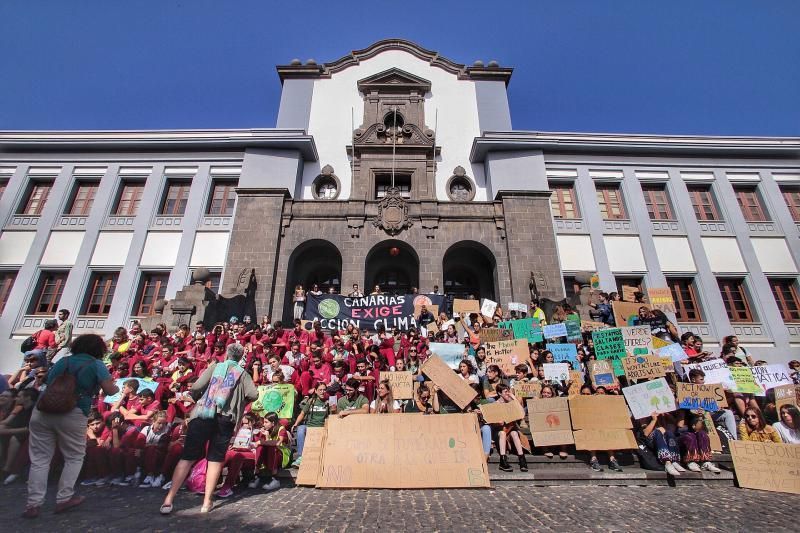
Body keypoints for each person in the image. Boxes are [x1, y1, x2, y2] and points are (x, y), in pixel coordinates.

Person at [25, 334, 119, 519]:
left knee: (40, 459)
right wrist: (114, 386)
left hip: (44, 409)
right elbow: (109, 390)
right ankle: (64, 498)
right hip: (72, 410)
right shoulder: (96, 364)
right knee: (74, 456)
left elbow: (48, 380)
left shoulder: (64, 361)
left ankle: (33, 504)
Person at [160, 343, 258, 515]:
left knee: (187, 457)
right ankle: (206, 502)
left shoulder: (215, 367)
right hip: (225, 419)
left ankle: (168, 500)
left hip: (203, 414)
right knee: (215, 459)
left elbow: (197, 386)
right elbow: (254, 394)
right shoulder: (242, 373)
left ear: (227, 354)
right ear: (241, 356)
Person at [491, 384, 527, 472]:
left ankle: (522, 459)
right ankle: (503, 460)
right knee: (502, 433)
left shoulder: (510, 403)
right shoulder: (495, 404)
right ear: (500, 393)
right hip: (499, 431)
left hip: (510, 429)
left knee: (514, 433)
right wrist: (498, 422)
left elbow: (522, 413)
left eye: (508, 391)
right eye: (506, 392)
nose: (508, 394)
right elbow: (492, 422)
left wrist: (513, 397)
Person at [291, 382, 329, 466]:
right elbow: (302, 413)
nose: (322, 392)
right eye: (320, 390)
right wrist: (296, 424)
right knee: (301, 429)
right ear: (315, 391)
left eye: (324, 390)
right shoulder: (311, 401)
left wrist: (332, 408)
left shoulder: (328, 402)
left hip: (323, 427)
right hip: (310, 426)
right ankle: (301, 456)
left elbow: (333, 416)